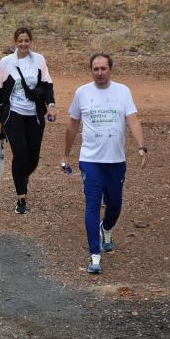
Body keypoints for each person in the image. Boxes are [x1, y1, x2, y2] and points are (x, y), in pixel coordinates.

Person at [62, 53, 148, 274]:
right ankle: (95, 255)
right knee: (92, 205)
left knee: (115, 205)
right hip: (90, 160)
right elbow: (72, 124)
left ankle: (107, 228)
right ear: (91, 71)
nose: (99, 73)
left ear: (111, 69)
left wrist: (141, 146)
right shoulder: (82, 92)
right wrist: (66, 154)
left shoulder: (123, 91)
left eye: (103, 68)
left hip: (115, 161)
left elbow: (133, 119)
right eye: (95, 69)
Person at [0, 26, 56, 214]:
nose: (23, 44)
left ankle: (22, 177)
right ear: (15, 42)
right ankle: (21, 197)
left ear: (31, 41)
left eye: (26, 40)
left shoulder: (39, 60)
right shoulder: (6, 63)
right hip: (13, 113)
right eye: (20, 41)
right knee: (20, 153)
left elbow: (47, 84)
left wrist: (51, 104)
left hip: (34, 114)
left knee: (33, 157)